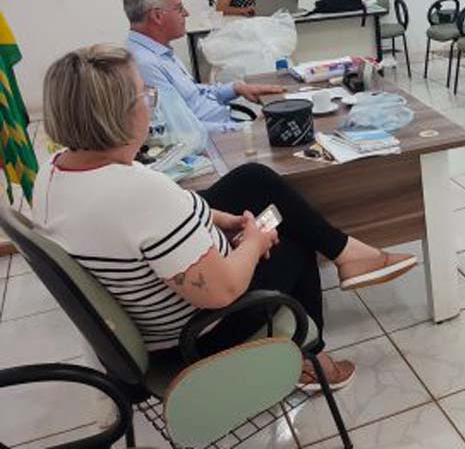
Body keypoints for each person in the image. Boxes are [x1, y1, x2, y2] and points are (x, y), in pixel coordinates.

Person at [34, 45, 419, 388]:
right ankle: (311, 359)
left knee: (253, 179)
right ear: (116, 114)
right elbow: (224, 291)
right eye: (146, 96)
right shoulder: (138, 193)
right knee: (295, 240)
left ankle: (349, 254)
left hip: (153, 305)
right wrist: (253, 243)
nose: (151, 106)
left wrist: (221, 221)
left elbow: (165, 213)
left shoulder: (54, 170)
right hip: (195, 337)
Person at [125, 0, 284, 134]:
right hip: (215, 142)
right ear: (157, 16)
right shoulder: (144, 64)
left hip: (223, 125)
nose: (186, 14)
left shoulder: (159, 51)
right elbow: (180, 130)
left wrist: (237, 88)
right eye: (179, 8)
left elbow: (193, 95)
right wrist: (248, 129)